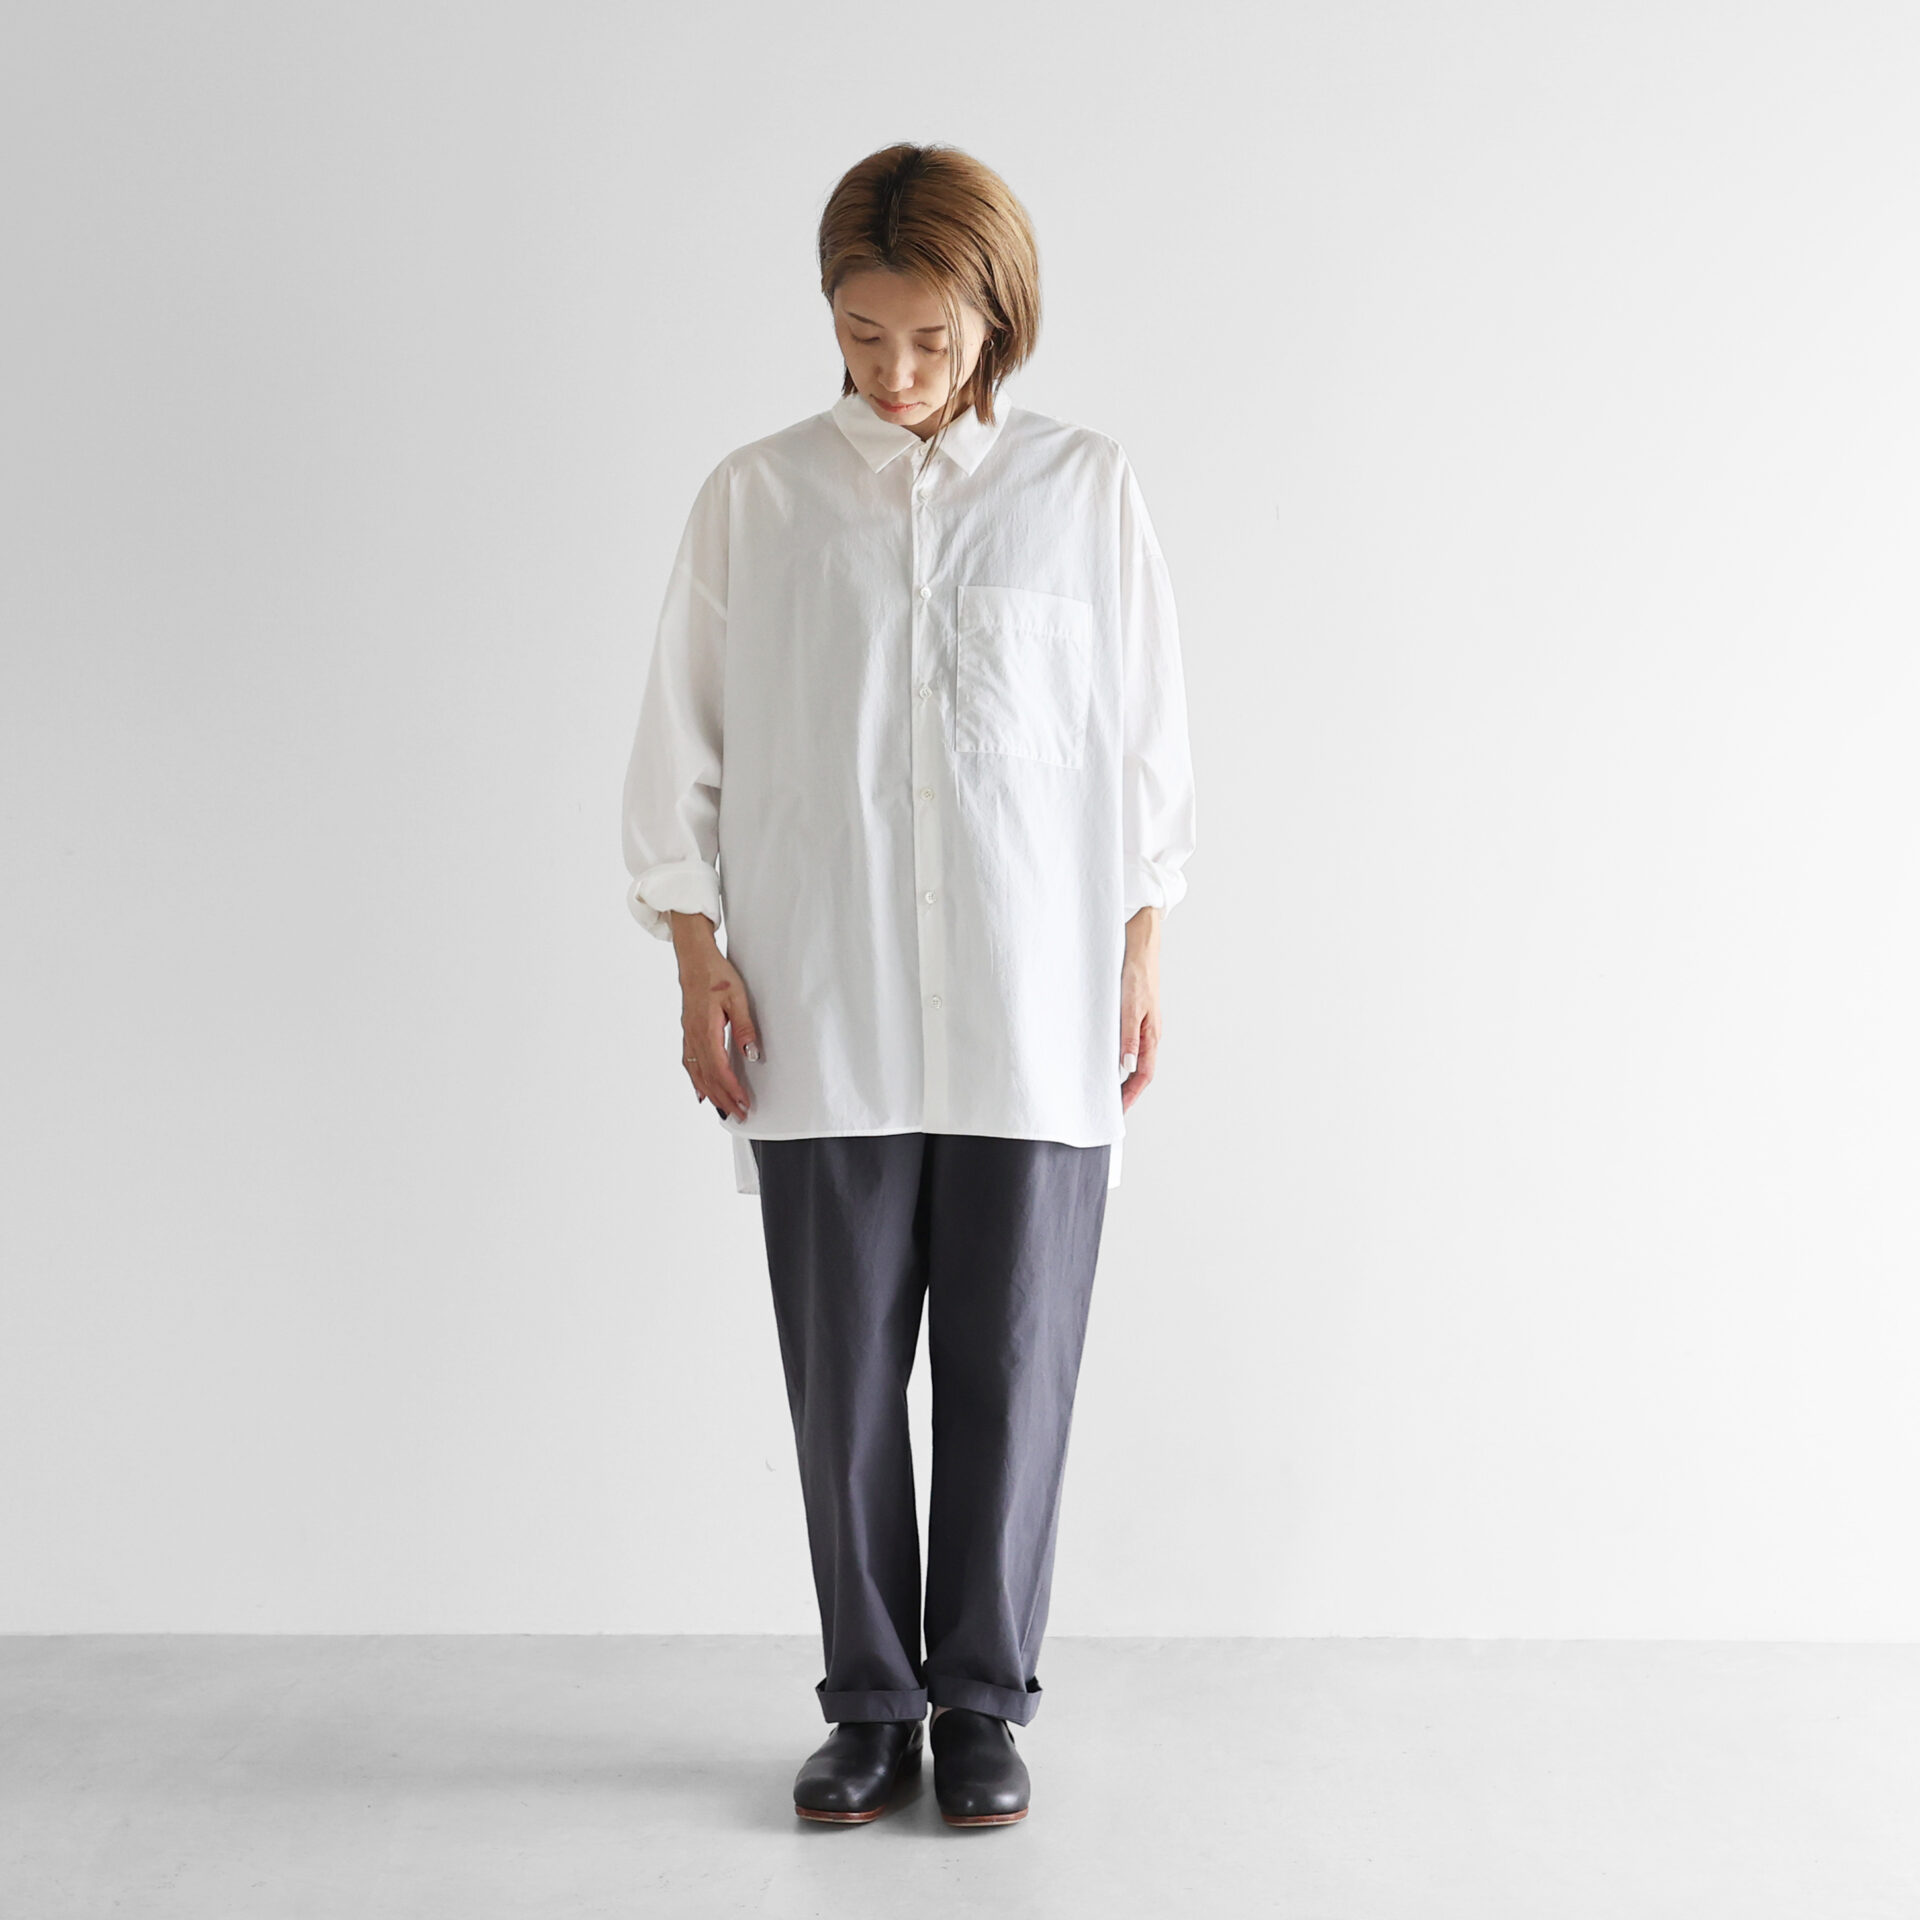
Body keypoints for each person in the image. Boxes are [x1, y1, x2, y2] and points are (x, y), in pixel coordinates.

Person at [619, 142, 1197, 1828]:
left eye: (929, 338)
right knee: (844, 1386)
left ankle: (982, 1703)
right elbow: (679, 746)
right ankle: (870, 1702)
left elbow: (1147, 747)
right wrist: (695, 957)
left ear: (996, 314)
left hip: (1031, 1007)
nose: (894, 371)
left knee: (1016, 1372)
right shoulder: (759, 498)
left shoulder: (1084, 491)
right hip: (827, 1007)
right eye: (861, 334)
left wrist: (1141, 944)